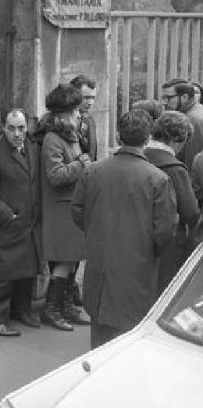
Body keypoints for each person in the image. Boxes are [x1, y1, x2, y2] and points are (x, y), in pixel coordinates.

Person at [71, 110, 177, 348]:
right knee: (130, 338)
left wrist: (97, 232)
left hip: (101, 263)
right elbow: (165, 229)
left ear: (118, 136)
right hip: (138, 268)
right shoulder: (158, 179)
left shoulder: (93, 171)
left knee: (100, 336)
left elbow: (77, 210)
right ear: (148, 138)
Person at [0, 109, 41, 337]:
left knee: (26, 270)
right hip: (7, 225)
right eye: (11, 128)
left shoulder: (31, 147)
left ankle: (20, 311)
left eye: (21, 128)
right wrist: (8, 215)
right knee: (1, 275)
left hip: (27, 224)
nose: (17, 133)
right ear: (2, 127)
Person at [35, 83, 91, 331]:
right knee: (64, 262)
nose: (80, 114)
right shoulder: (52, 139)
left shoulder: (69, 135)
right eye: (76, 110)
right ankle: (51, 309)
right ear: (63, 114)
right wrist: (81, 164)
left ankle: (66, 307)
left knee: (73, 260)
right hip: (61, 211)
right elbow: (55, 176)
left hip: (71, 208)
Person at [144, 111, 199, 293]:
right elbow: (190, 212)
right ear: (177, 139)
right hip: (168, 242)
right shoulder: (175, 169)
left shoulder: (139, 157)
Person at [161, 80, 203, 172]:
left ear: (184, 97)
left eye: (168, 98)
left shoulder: (191, 120)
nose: (164, 102)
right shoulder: (196, 111)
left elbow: (191, 164)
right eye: (163, 98)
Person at [70, 75, 97, 160]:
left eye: (93, 97)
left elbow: (93, 154)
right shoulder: (61, 121)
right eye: (86, 97)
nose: (90, 102)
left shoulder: (90, 119)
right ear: (73, 95)